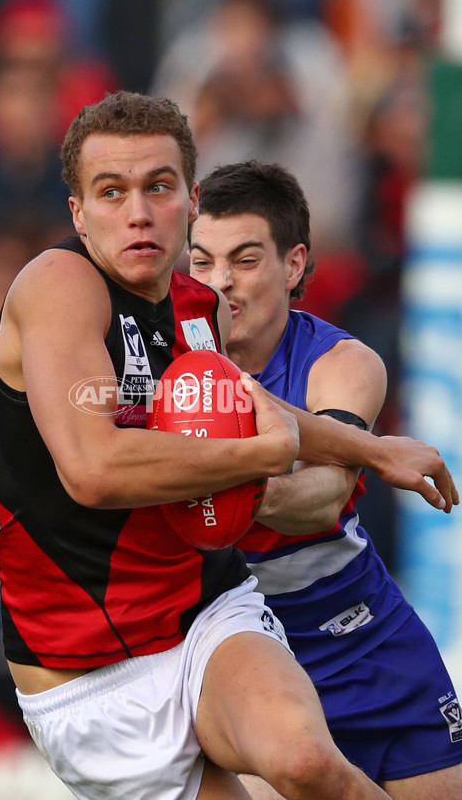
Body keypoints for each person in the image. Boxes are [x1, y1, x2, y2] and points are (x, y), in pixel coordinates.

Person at [0, 91, 457, 800]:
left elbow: (249, 410)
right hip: (86, 680)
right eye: (111, 191)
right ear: (78, 214)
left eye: (159, 186)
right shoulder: (57, 284)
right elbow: (94, 470)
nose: (139, 211)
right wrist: (259, 457)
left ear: (189, 197)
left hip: (207, 616)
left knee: (306, 763)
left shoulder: (201, 308)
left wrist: (375, 450)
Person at [186, 160, 462, 799]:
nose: (221, 283)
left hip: (362, 637)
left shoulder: (342, 362)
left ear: (293, 265)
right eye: (201, 262)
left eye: (245, 260)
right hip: (232, 652)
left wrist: (208, 493)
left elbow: (325, 497)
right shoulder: (164, 364)